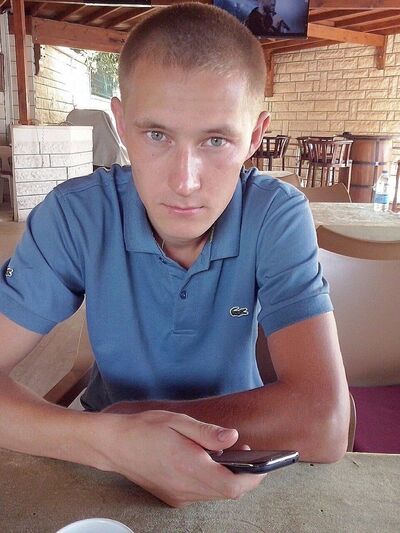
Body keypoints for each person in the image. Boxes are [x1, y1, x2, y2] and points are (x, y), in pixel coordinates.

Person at [0, 3, 349, 508]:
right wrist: (109, 441)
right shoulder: (76, 216)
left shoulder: (275, 215)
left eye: (216, 140)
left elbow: (326, 423)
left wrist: (130, 423)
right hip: (105, 462)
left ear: (254, 137)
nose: (185, 182)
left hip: (243, 455)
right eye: (157, 135)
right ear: (121, 124)